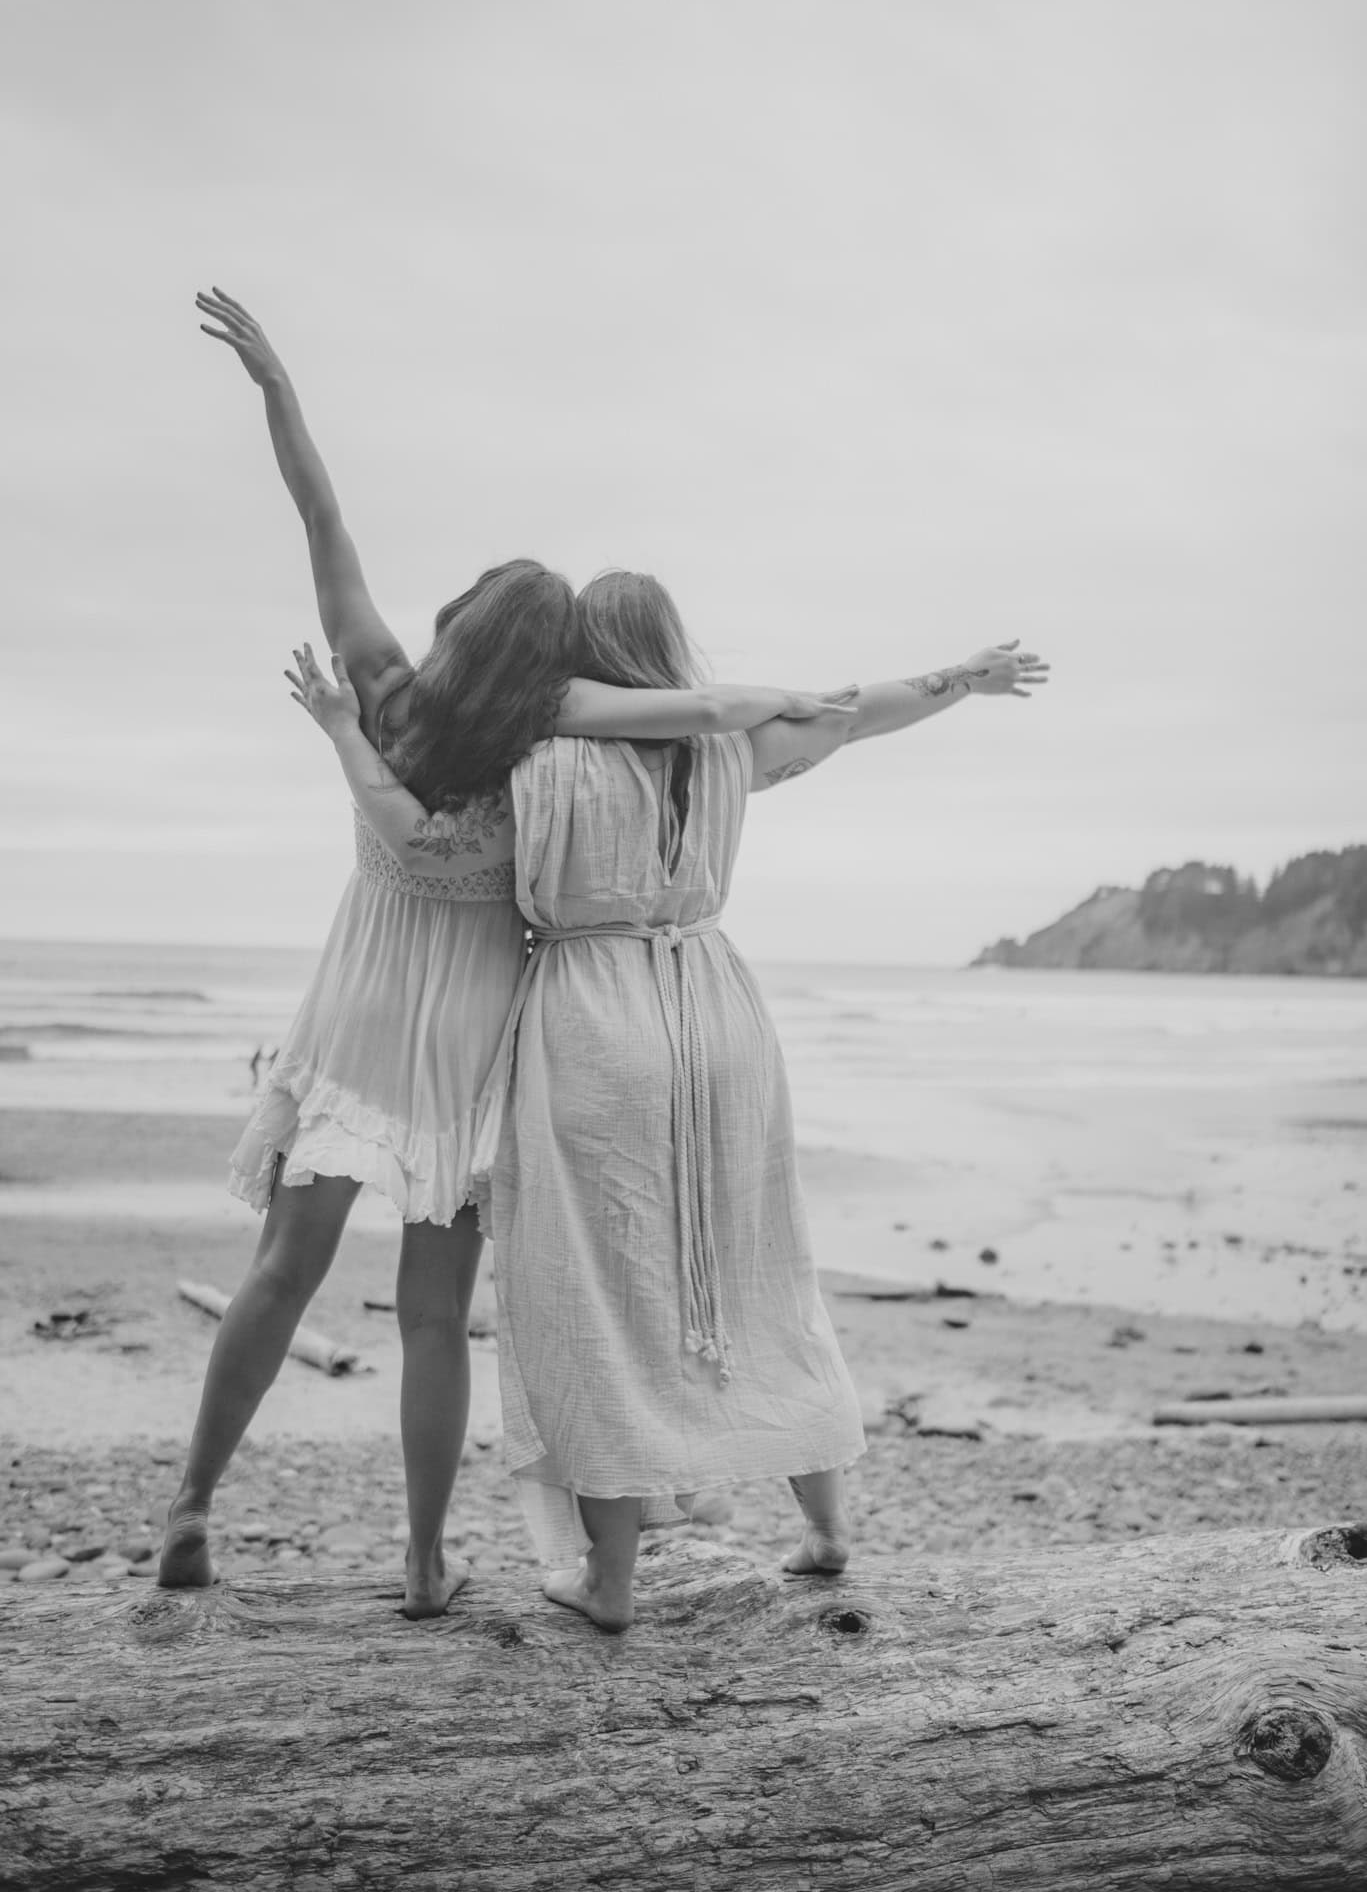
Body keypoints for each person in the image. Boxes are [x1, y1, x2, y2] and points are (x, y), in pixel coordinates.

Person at [159, 294, 852, 1613]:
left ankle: (190, 1506)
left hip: (352, 1026)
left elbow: (322, 518)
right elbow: (689, 711)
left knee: (282, 1271)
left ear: (458, 624)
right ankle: (424, 1561)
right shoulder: (541, 756)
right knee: (433, 1317)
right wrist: (773, 698)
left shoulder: (382, 696)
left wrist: (276, 389)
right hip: (476, 1053)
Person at [291, 572, 1047, 1631]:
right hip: (716, 1003)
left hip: (592, 1013)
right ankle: (826, 1526)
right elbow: (860, 709)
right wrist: (965, 677)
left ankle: (608, 1578)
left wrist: (345, 732)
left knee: (588, 1292)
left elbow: (424, 843)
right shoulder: (729, 749)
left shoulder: (537, 763)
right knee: (761, 1265)